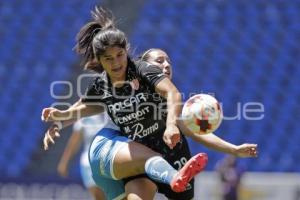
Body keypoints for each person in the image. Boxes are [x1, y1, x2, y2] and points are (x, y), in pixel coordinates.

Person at [42, 7, 258, 199]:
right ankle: (174, 177)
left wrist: (233, 149)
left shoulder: (150, 81)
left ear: (126, 52)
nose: (116, 62)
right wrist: (58, 118)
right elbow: (80, 109)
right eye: (109, 58)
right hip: (137, 160)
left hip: (174, 158)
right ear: (101, 61)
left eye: (120, 55)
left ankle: (176, 176)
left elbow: (187, 115)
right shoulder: (102, 86)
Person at [57, 114, 124, 200]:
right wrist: (64, 162)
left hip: (112, 159)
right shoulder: (85, 115)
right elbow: (75, 141)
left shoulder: (113, 112)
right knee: (99, 196)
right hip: (89, 163)